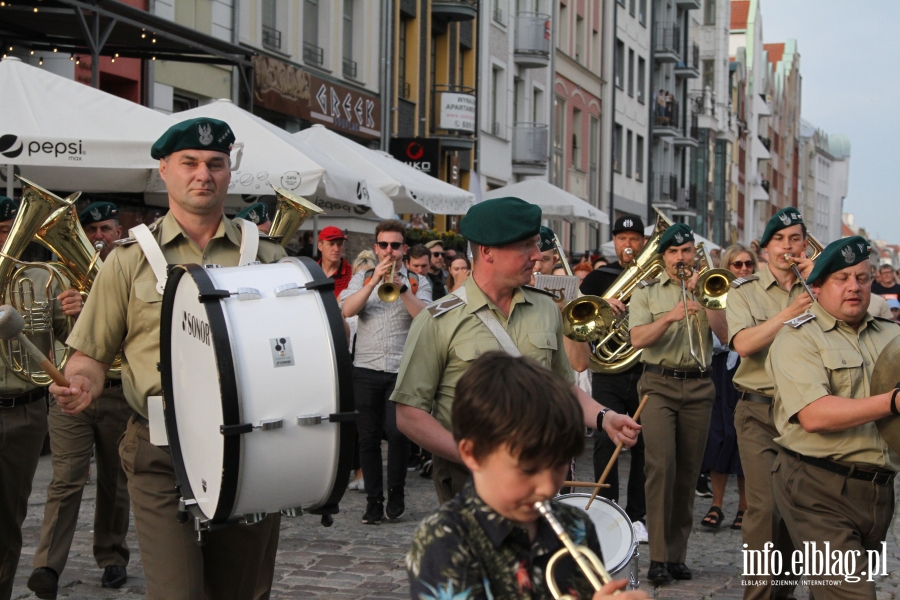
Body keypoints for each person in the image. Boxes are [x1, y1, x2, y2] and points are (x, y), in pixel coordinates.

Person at [50, 118, 285, 600]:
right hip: (161, 448)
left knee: (240, 592)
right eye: (190, 163)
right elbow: (90, 354)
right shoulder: (127, 259)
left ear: (228, 173)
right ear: (164, 170)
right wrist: (78, 383)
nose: (204, 174)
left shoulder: (268, 257)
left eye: (215, 164)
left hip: (249, 448)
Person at [391, 197, 641, 504]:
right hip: (470, 484)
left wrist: (604, 417)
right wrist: (472, 456)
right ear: (487, 252)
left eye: (536, 244)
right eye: (525, 245)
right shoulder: (438, 320)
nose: (537, 256)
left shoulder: (546, 308)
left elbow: (562, 387)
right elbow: (409, 414)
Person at [407, 352, 648, 600]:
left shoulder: (577, 525)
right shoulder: (442, 538)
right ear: (472, 454)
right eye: (528, 469)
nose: (546, 488)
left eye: (559, 464)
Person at [767, 236, 900, 597]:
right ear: (818, 286)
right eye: (842, 279)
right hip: (817, 485)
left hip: (877, 491)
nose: (854, 287)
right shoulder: (797, 339)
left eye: (862, 278)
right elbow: (814, 415)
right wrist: (894, 402)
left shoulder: (892, 336)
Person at [27, 202, 132, 599]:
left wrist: (95, 311)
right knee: (65, 478)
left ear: (117, 231)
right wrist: (63, 313)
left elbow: (135, 336)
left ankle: (112, 555)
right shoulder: (57, 278)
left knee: (114, 479)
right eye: (91, 230)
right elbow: (43, 337)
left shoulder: (127, 271)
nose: (98, 237)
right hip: (69, 391)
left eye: (106, 228)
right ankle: (47, 566)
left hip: (117, 392)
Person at [629, 223, 727, 584]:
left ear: (694, 255)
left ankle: (676, 556)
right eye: (673, 252)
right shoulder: (647, 293)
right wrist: (670, 315)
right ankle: (656, 556)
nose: (680, 258)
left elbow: (725, 334)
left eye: (686, 251)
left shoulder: (710, 287)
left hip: (700, 386)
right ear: (663, 258)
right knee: (661, 467)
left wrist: (703, 295)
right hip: (658, 384)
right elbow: (638, 337)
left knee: (687, 472)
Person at [726, 207, 813, 600]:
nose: (788, 248)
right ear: (765, 248)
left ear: (805, 244)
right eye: (780, 240)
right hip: (759, 409)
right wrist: (792, 312)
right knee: (764, 509)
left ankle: (784, 592)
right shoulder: (744, 290)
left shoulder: (819, 286)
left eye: (795, 239)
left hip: (804, 412)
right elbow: (743, 344)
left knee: (797, 507)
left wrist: (821, 285)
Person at [0, 195, 83, 600]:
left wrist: (75, 315)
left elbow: (69, 345)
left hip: (24, 413)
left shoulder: (38, 278)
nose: (7, 243)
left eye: (8, 232)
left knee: (8, 519)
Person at [341, 220, 432, 524]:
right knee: (367, 437)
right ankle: (373, 500)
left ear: (404, 249)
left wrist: (403, 287)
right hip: (365, 368)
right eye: (384, 245)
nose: (389, 251)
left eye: (395, 245)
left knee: (398, 433)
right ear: (376, 247)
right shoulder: (361, 278)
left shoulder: (419, 281)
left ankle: (396, 491)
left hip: (401, 369)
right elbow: (347, 311)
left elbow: (426, 318)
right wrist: (372, 283)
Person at [579, 215, 649, 544]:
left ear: (644, 244)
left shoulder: (652, 279)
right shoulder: (597, 278)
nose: (629, 245)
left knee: (643, 446)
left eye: (635, 239)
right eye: (623, 239)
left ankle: (637, 516)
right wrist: (600, 305)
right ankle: (607, 509)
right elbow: (578, 319)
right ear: (615, 243)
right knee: (606, 443)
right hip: (607, 370)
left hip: (643, 370)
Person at [698, 245, 753, 532]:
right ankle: (716, 504)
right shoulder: (716, 293)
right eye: (737, 264)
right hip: (721, 369)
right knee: (719, 436)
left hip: (751, 369)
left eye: (748, 264)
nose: (743, 269)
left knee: (745, 438)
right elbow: (720, 338)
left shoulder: (760, 296)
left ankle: (745, 506)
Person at [346, 250, 378, 493]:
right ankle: (356, 468)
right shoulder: (350, 296)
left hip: (368, 361)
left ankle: (364, 470)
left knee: (367, 424)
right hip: (349, 359)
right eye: (359, 274)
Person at [316, 225, 353, 298]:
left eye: (339, 244)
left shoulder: (352, 274)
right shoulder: (310, 272)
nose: (336, 249)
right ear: (320, 246)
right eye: (331, 244)